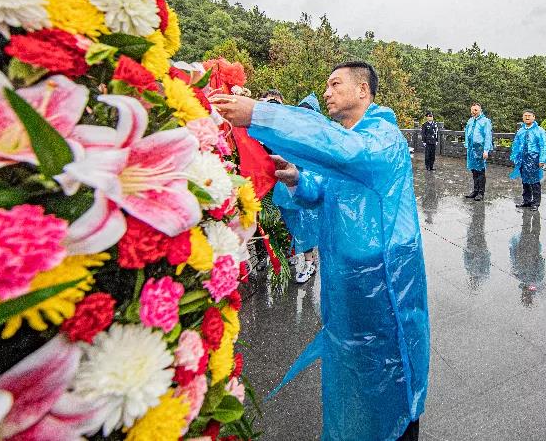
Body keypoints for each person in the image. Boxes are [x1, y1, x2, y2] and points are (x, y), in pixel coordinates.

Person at [210, 61, 429, 441]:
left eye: (335, 84)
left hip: (385, 279)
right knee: (352, 363)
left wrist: (260, 114)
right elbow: (321, 189)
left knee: (389, 366)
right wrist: (297, 178)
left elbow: (345, 152)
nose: (326, 92)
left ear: (363, 90)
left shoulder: (382, 136)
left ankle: (397, 428)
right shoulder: (348, 135)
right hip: (347, 281)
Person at [276, 92, 322, 285]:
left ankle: (310, 263)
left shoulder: (319, 136)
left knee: (306, 227)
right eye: (300, 111)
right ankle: (297, 255)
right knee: (293, 224)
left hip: (306, 186)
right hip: (286, 190)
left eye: (308, 112)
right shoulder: (290, 132)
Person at [510, 109, 546, 210]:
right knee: (525, 181)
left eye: (529, 115)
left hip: (534, 159)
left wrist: (542, 159)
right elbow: (516, 144)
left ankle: (536, 203)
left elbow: (543, 146)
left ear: (534, 117)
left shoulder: (539, 131)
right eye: (525, 115)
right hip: (523, 159)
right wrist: (515, 156)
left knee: (535, 181)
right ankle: (526, 200)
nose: (527, 117)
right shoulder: (521, 131)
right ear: (523, 118)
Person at [463, 103, 493, 201]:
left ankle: (481, 192)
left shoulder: (485, 121)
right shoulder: (470, 121)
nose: (473, 112)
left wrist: (486, 150)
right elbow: (467, 133)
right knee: (474, 171)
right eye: (472, 110)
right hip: (471, 150)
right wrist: (467, 145)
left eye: (475, 110)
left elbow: (488, 136)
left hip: (480, 149)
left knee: (480, 171)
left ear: (480, 110)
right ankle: (475, 190)